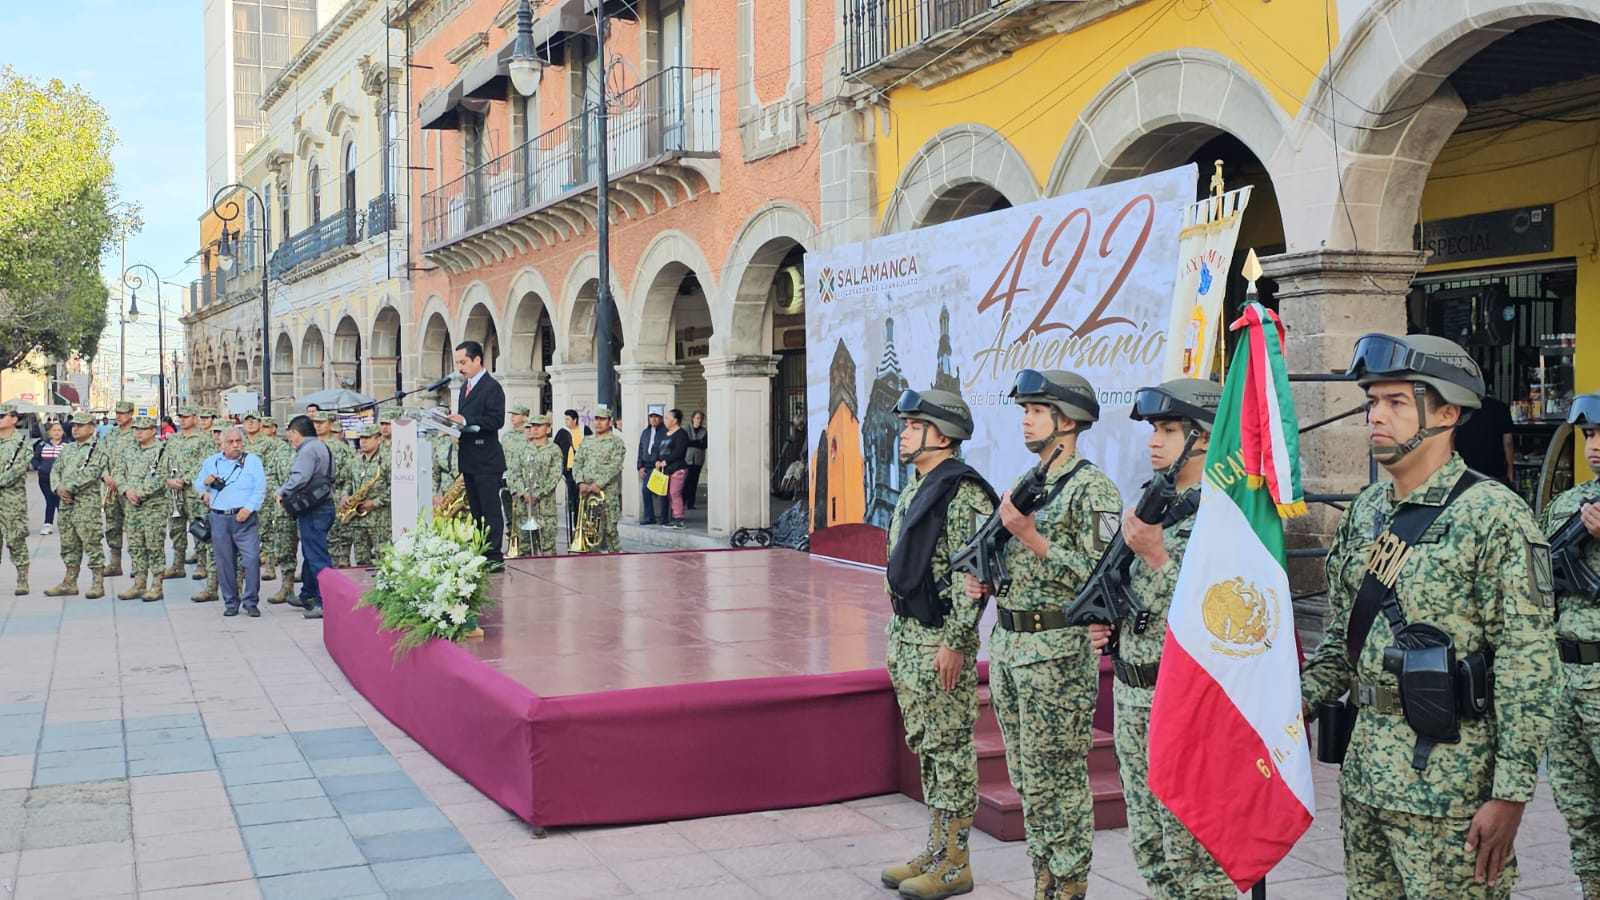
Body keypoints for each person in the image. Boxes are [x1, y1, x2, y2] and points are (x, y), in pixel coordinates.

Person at [1300, 334, 1558, 899]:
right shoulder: (1367, 510)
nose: (1376, 416)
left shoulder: (1492, 516)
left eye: (1395, 402)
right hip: (1367, 776)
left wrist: (1510, 794)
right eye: (1372, 402)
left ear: (1448, 412)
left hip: (1451, 792)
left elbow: (1529, 665)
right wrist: (1292, 702)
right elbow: (1340, 640)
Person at [962, 369, 1121, 900]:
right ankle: (1045, 878)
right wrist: (987, 573)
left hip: (1057, 653)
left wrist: (1031, 536)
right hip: (1010, 647)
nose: (1025, 419)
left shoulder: (1092, 488)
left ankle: (1068, 882)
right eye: (1024, 410)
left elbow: (1106, 573)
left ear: (1068, 421)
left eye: (1035, 410)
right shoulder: (1029, 483)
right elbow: (1008, 555)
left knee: (1058, 777)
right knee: (1028, 778)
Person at [1086, 378, 1234, 898]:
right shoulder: (1156, 505)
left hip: (1187, 705)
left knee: (1195, 855)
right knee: (1151, 847)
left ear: (1205, 437)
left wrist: (1157, 556)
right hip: (1134, 695)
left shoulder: (1228, 514)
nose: (1154, 440)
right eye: (1154, 429)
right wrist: (1109, 627)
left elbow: (1229, 620)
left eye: (1169, 429)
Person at [879, 389, 996, 899]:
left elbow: (975, 574)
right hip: (908, 637)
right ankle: (935, 849)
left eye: (913, 425)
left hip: (939, 641)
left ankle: (956, 863)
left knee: (950, 752)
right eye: (905, 425)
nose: (903, 433)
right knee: (928, 749)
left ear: (941, 435)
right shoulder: (918, 486)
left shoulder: (963, 491)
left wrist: (956, 643)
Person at [1535, 393, 1600, 899]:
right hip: (1565, 679)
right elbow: (1533, 586)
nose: (1594, 447)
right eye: (1589, 436)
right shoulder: (1567, 504)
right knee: (1579, 808)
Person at [196, 426, 266, 617]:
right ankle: (231, 602)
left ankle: (251, 601)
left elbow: (260, 489)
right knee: (224, 562)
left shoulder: (252, 461)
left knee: (251, 559)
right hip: (219, 518)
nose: (235, 445)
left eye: (238, 441)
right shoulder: (212, 462)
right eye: (231, 442)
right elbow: (198, 484)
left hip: (244, 517)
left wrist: (249, 508)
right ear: (222, 443)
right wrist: (206, 484)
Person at [448, 341, 507, 567]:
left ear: (477, 360)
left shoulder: (492, 387)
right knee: (477, 511)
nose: (460, 367)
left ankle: (493, 556)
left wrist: (465, 420)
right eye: (457, 363)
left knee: (490, 510)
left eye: (463, 362)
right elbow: (467, 421)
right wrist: (455, 429)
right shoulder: (465, 387)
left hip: (487, 459)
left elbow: (495, 420)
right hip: (470, 458)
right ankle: (480, 550)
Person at [43, 414, 108, 599]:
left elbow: (92, 472)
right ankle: (70, 581)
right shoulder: (68, 448)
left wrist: (69, 487)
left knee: (91, 543)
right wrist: (57, 488)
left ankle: (98, 583)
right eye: (74, 425)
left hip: (85, 504)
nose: (76, 429)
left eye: (81, 425)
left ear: (91, 428)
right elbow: (56, 470)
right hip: (66, 504)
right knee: (69, 544)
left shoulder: (98, 449)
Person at [277, 415, 335, 619]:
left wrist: (282, 492)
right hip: (323, 505)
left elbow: (299, 477)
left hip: (313, 509)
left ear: (295, 432)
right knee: (310, 554)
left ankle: (323, 601)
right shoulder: (322, 446)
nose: (290, 440)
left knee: (318, 557)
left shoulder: (307, 450)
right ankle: (308, 594)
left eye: (290, 435)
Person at [116, 416, 171, 602]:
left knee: (154, 545)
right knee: (136, 545)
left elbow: (161, 477)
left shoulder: (162, 450)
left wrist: (138, 492)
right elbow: (119, 472)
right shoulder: (128, 449)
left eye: (143, 429)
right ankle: (139, 584)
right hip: (132, 507)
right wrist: (126, 490)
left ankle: (157, 585)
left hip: (153, 507)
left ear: (153, 431)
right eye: (136, 429)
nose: (138, 432)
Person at [571, 405, 625, 552]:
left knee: (610, 530)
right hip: (586, 493)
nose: (598, 423)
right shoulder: (587, 441)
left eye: (602, 419)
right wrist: (580, 482)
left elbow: (615, 466)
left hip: (606, 493)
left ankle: (615, 560)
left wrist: (599, 484)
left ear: (609, 421)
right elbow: (578, 462)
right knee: (589, 529)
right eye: (596, 419)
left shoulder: (616, 443)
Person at [162, 408, 207, 582]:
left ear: (194, 418)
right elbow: (164, 462)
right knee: (176, 529)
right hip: (175, 493)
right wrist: (168, 480)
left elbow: (204, 464)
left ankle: (202, 565)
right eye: (180, 417)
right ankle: (178, 565)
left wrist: (185, 480)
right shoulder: (172, 440)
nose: (182, 420)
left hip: (193, 491)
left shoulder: (203, 440)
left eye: (186, 417)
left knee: (199, 528)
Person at [258, 417, 299, 602]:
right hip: (284, 509)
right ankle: (286, 587)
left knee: (312, 550)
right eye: (289, 430)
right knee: (285, 549)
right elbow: (271, 474)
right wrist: (278, 492)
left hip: (308, 508)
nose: (291, 434)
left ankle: (314, 591)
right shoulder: (280, 451)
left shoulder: (312, 450)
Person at [0, 403, 35, 595]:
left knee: (16, 539)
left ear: (14, 419)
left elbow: (19, 468)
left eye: (2, 416)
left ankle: (22, 579)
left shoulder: (22, 443)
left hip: (12, 500)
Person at [315, 411, 358, 567]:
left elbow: (350, 475)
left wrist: (345, 494)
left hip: (334, 496)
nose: (318, 425)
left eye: (322, 422)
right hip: (312, 499)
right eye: (315, 422)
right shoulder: (309, 445)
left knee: (334, 540)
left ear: (330, 424)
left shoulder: (340, 448)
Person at [345, 424, 391, 566]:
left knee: (383, 558)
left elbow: (394, 488)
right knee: (361, 559)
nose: (363, 441)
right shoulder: (355, 461)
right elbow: (347, 482)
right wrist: (345, 496)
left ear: (378, 439)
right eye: (361, 438)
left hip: (380, 520)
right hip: (358, 520)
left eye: (367, 438)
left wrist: (375, 503)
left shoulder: (386, 460)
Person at [100, 400, 137, 576]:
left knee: (133, 527)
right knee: (112, 525)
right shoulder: (111, 434)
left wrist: (123, 482)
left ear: (131, 414)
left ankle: (138, 565)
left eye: (123, 413)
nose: (119, 416)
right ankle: (115, 563)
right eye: (117, 413)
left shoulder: (138, 433)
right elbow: (102, 456)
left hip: (130, 486)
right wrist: (106, 476)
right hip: (111, 487)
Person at [518, 414, 562, 556]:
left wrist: (537, 494)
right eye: (533, 426)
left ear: (548, 429)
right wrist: (522, 492)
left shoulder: (554, 450)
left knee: (547, 548)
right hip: (525, 507)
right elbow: (514, 473)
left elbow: (555, 475)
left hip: (545, 508)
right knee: (525, 548)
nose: (535, 429)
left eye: (539, 426)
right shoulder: (524, 450)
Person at [1453, 390, 1515, 486]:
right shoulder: (1500, 407)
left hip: (1465, 469)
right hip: (1494, 469)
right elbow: (1508, 441)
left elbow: (1451, 437)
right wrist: (1510, 470)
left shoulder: (1460, 408)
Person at [554, 409, 590, 537]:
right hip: (569, 470)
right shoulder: (563, 433)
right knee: (572, 499)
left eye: (568, 419)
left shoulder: (584, 431)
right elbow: (555, 448)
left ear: (575, 420)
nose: (566, 422)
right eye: (565, 419)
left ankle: (585, 524)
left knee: (584, 498)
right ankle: (575, 526)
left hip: (584, 470)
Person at [654, 409, 690, 528]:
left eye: (667, 418)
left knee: (675, 492)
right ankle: (674, 517)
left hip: (677, 468)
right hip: (666, 470)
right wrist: (658, 461)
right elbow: (659, 449)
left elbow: (679, 451)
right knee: (669, 494)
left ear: (675, 420)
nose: (665, 420)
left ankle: (679, 518)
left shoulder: (681, 434)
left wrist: (666, 461)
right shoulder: (665, 433)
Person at [636, 409, 669, 524]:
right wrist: (640, 466)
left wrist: (660, 461)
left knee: (662, 492)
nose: (653, 419)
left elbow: (666, 448)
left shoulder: (665, 432)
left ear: (661, 418)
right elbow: (641, 449)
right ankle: (649, 516)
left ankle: (664, 517)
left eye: (656, 416)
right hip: (647, 466)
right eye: (651, 416)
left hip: (659, 466)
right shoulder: (645, 432)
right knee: (645, 490)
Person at [33, 420, 65, 536]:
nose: (57, 432)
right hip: (45, 478)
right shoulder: (42, 445)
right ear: (49, 432)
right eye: (54, 430)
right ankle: (48, 524)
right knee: (50, 500)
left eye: (59, 430)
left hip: (62, 479)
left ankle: (65, 523)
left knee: (60, 500)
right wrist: (39, 467)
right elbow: (35, 459)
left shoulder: (68, 445)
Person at [683, 410, 707, 511]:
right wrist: (697, 442)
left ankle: (691, 503)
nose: (699, 420)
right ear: (693, 418)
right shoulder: (686, 428)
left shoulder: (704, 431)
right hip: (687, 459)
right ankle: (682, 502)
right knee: (686, 481)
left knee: (694, 481)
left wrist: (693, 442)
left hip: (698, 460)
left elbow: (704, 444)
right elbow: (685, 442)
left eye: (701, 419)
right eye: (697, 418)